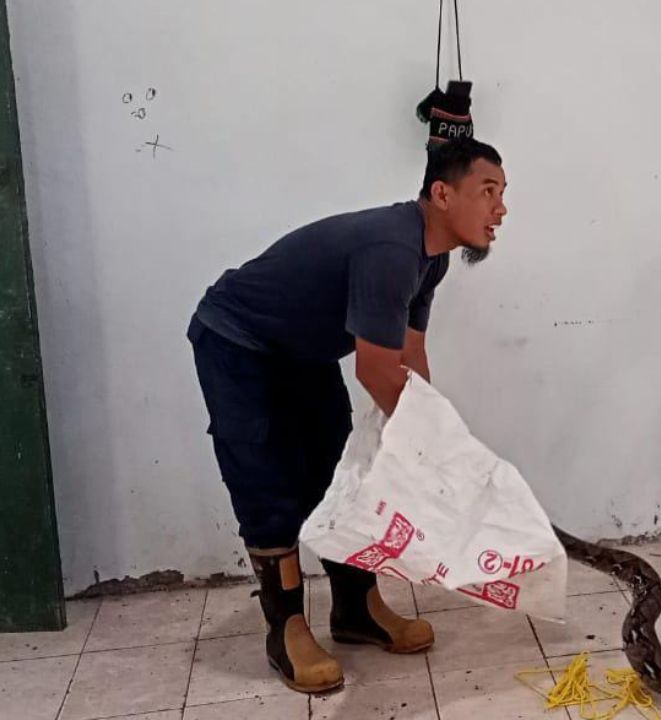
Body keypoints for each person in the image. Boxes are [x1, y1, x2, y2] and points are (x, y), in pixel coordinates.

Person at [187, 138, 509, 692]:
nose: (501, 209)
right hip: (237, 342)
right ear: (441, 193)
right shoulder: (391, 249)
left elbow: (408, 358)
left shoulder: (430, 262)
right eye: (488, 192)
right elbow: (374, 372)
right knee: (267, 485)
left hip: (302, 350)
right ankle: (285, 629)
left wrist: (430, 435)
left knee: (341, 474)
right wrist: (432, 452)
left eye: (502, 195)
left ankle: (356, 609)